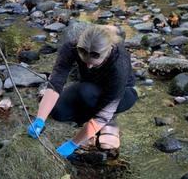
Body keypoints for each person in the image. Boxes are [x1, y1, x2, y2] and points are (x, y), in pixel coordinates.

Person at [27, 24, 138, 158]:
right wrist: (40, 119)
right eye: (85, 62)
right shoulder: (71, 47)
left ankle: (109, 120)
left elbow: (103, 113)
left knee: (88, 94)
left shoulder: (119, 63)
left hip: (122, 94)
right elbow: (56, 82)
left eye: (94, 63)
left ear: (107, 52)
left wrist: (73, 144)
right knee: (58, 112)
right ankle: (91, 122)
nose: (89, 67)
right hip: (88, 87)